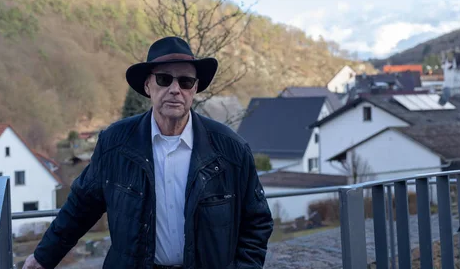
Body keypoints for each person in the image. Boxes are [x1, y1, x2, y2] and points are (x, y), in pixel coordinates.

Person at [23, 36, 273, 269]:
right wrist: (43, 256)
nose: (175, 89)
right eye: (165, 79)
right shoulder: (116, 144)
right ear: (147, 85)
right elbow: (81, 206)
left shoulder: (230, 149)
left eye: (185, 82)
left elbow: (257, 222)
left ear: (194, 90)